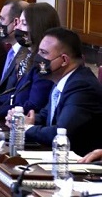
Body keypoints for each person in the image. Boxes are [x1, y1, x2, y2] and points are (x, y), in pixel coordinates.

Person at [7, 27, 102, 155]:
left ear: (64, 60)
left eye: (43, 52)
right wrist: (22, 120)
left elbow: (61, 133)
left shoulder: (82, 86)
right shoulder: (60, 79)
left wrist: (26, 128)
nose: (38, 57)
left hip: (80, 162)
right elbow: (46, 116)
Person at [0, 2, 56, 119]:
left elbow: (34, 105)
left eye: (23, 23)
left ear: (37, 28)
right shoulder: (26, 56)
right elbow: (14, 94)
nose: (16, 27)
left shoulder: (44, 63)